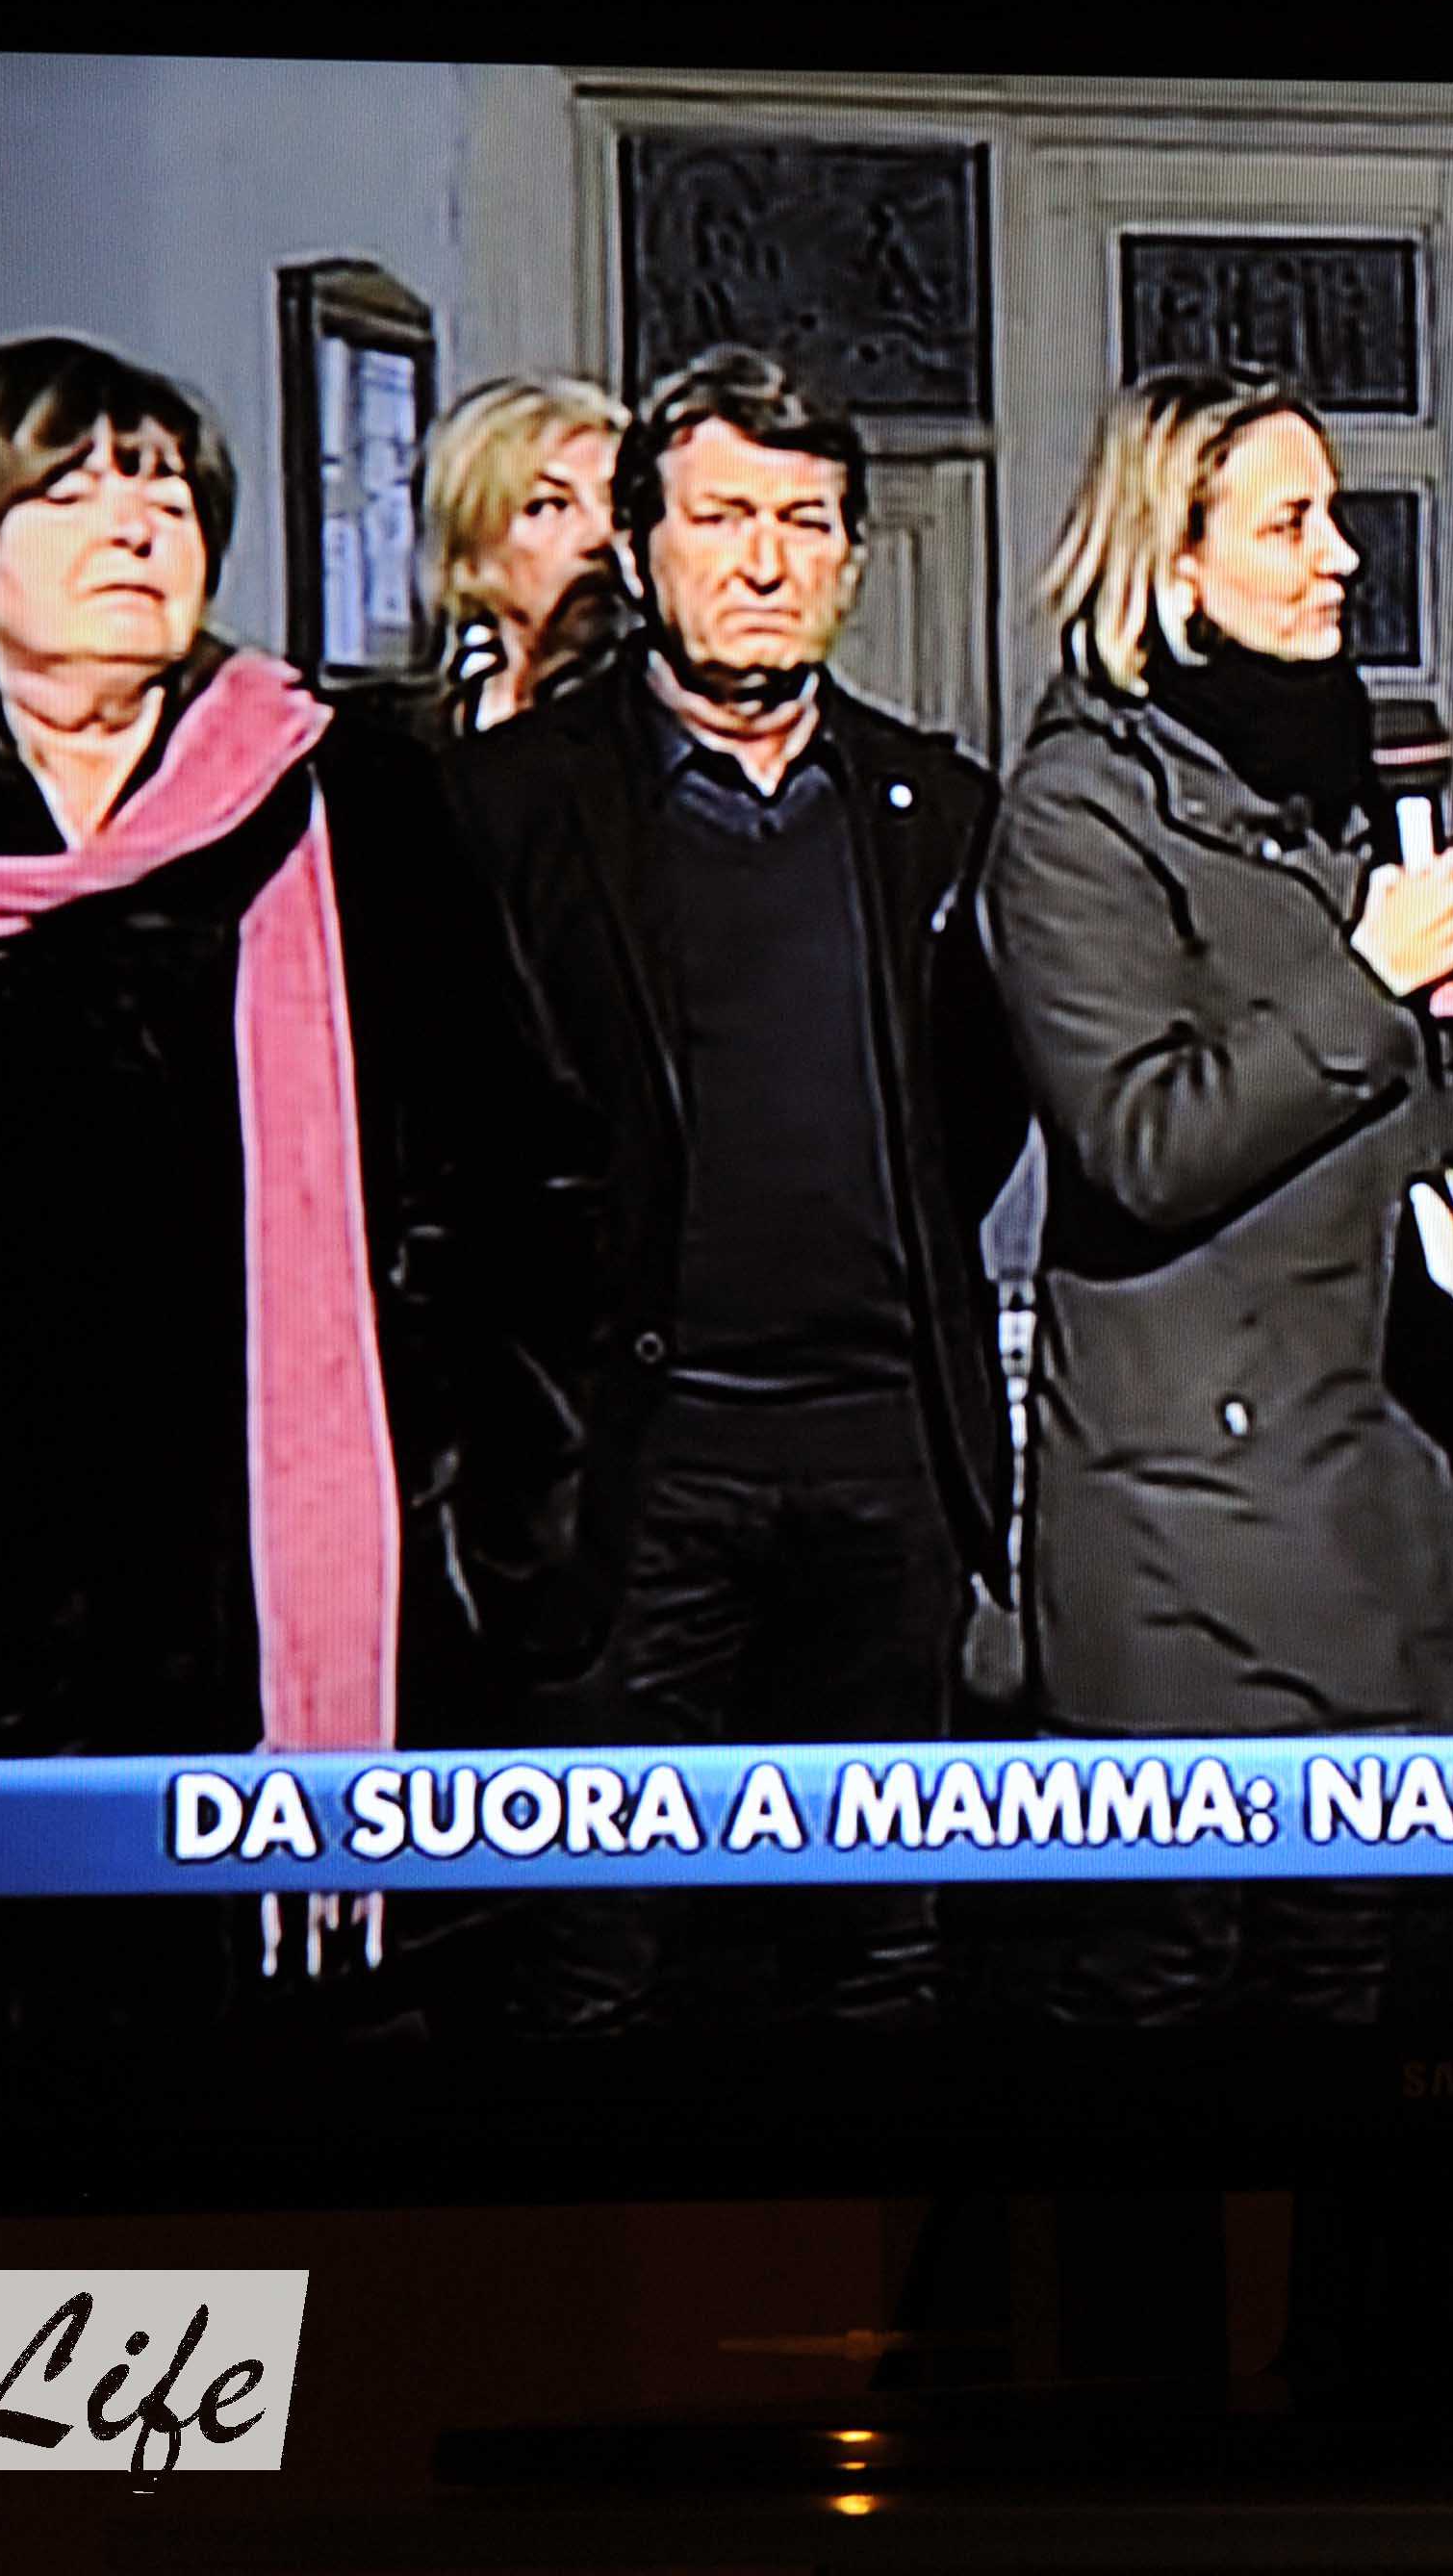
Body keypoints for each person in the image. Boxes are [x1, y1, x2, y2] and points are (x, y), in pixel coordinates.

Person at [0, 334, 597, 2026]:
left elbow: (523, 1188)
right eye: (70, 489)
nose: (136, 524)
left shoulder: (355, 806)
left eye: (169, 492)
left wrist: (494, 1523)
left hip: (287, 1637)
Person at [448, 345, 1027, 2027]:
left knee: (883, 1951)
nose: (764, 561)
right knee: (592, 1954)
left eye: (804, 523)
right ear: (640, 550)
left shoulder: (935, 808)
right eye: (720, 519)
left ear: (851, 560)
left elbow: (975, 1106)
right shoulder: (504, 809)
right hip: (634, 1465)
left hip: (884, 1459)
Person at [983, 365, 1453, 2026]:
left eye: (1337, 518)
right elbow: (1143, 1139)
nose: (1341, 559)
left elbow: (1440, 1077)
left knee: (1357, 1974)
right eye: (1291, 524)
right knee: (1162, 1987)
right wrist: (1364, 976)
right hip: (1198, 1536)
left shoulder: (1341, 778)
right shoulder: (1078, 815)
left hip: (1383, 1489)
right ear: (1174, 561)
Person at [371, 371, 625, 744]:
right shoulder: (408, 744)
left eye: (616, 498)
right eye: (549, 505)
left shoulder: (665, 733)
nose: (603, 533)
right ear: (469, 556)